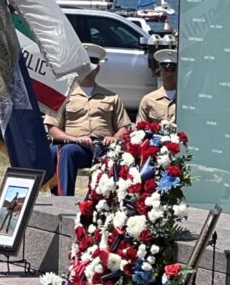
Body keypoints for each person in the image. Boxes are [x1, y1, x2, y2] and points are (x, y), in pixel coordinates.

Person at [46, 44, 131, 196]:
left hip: (103, 147)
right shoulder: (63, 96)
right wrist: (75, 139)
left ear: (98, 68)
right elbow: (52, 129)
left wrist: (114, 137)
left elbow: (124, 127)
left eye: (92, 64)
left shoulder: (111, 97)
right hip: (75, 146)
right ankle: (64, 199)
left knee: (121, 156)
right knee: (63, 152)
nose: (87, 69)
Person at [138, 48, 177, 123]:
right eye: (165, 69)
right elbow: (141, 130)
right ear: (160, 71)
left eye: (173, 69)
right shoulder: (148, 100)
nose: (169, 74)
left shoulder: (186, 101)